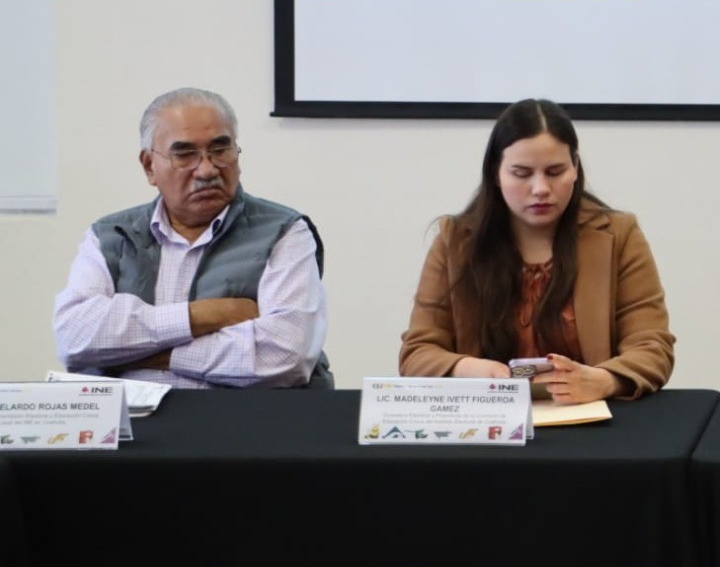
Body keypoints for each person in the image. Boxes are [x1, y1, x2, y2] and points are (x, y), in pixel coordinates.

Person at [53, 88, 332, 388]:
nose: (207, 170)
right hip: (130, 415)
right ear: (149, 166)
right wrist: (204, 315)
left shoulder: (284, 231)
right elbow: (74, 336)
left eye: (220, 150)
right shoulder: (110, 236)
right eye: (185, 155)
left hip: (241, 415)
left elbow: (285, 355)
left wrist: (144, 354)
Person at [399, 99, 674, 402]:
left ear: (575, 169)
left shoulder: (618, 235)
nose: (541, 188)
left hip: (589, 417)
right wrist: (469, 369)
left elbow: (652, 346)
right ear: (496, 173)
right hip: (489, 418)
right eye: (522, 173)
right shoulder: (456, 241)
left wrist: (603, 380)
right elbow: (417, 353)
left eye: (555, 172)